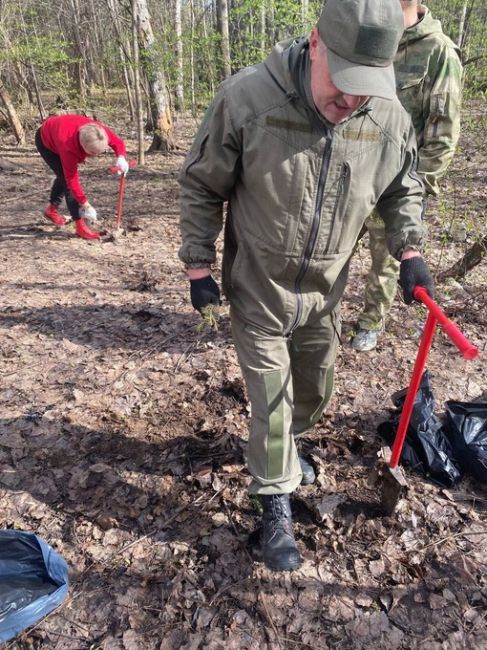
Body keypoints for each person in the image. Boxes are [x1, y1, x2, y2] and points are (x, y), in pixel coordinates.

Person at [178, 0, 435, 572]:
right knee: (272, 396)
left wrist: (409, 247)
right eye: (343, 83)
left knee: (314, 384)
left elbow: (402, 187)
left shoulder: (386, 115)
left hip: (326, 290)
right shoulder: (250, 99)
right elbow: (201, 185)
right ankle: (274, 501)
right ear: (316, 43)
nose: (351, 100)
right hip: (259, 285)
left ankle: (290, 447)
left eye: (366, 87)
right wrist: (198, 264)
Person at [352, 0, 462, 352]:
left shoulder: (438, 51)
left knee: (385, 261)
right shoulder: (369, 37)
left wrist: (416, 191)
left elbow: (442, 136)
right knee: (332, 249)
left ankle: (370, 321)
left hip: (398, 183)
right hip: (354, 172)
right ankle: (315, 314)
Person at [35, 114, 129, 240]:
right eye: (92, 153)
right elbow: (72, 181)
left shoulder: (98, 131)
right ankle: (80, 227)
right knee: (66, 180)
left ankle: (51, 210)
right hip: (46, 141)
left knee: (63, 176)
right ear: (82, 146)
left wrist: (121, 157)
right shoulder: (68, 147)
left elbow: (117, 142)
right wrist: (86, 205)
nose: (95, 156)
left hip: (59, 130)